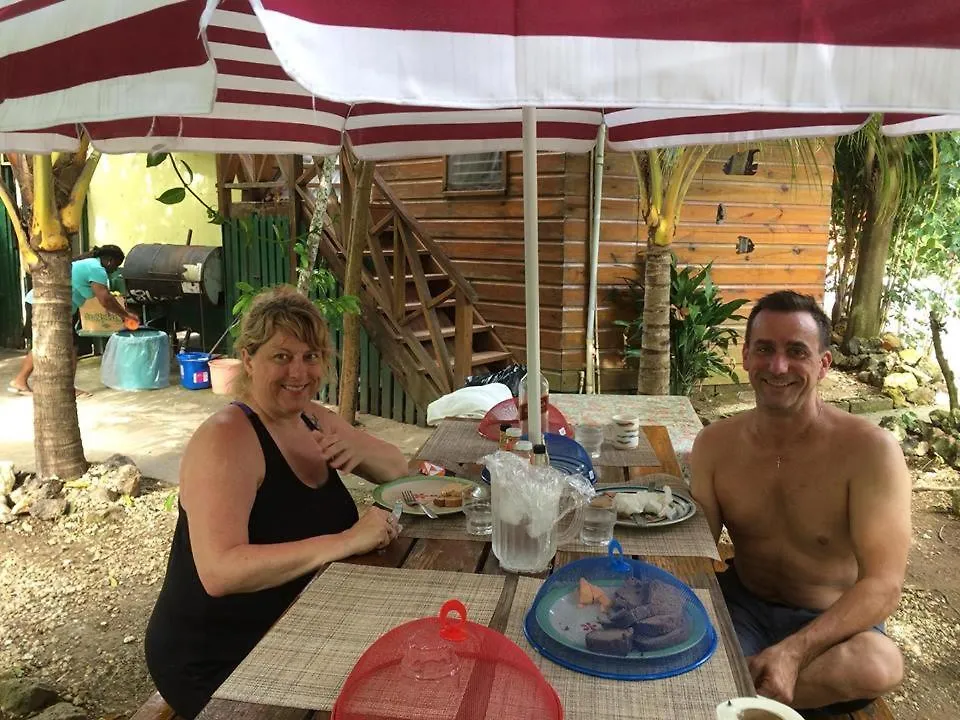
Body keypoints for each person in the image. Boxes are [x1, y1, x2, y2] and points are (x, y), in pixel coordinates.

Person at [144, 286, 408, 719]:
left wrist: (358, 454)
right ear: (248, 358)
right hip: (216, 656)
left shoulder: (311, 416)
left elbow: (399, 470)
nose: (299, 372)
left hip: (294, 622)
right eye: (281, 356)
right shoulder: (227, 437)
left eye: (311, 355)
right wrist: (346, 540)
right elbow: (220, 571)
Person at [690, 290, 909, 715]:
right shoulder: (715, 444)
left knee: (879, 665)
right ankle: (750, 693)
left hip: (830, 623)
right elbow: (695, 546)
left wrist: (796, 651)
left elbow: (884, 585)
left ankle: (731, 696)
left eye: (796, 351)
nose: (778, 366)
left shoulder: (870, 451)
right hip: (743, 606)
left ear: (823, 364)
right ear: (746, 357)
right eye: (765, 350)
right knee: (672, 639)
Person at [8, 244, 139, 396]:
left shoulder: (90, 265)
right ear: (109, 261)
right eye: (116, 266)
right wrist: (126, 315)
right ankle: (67, 389)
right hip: (47, 305)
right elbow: (105, 299)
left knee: (43, 343)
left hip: (44, 303)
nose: (115, 270)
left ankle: (20, 381)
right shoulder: (97, 269)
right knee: (70, 346)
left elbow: (104, 298)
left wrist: (122, 312)